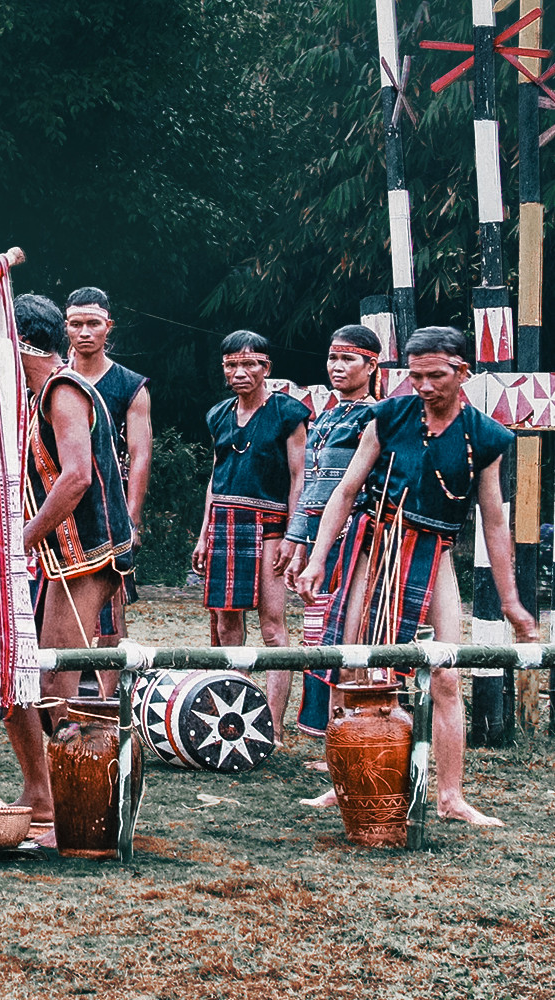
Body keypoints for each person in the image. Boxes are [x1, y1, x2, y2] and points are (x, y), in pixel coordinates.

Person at [296, 327, 537, 825]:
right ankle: (346, 782)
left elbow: (494, 522)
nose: (424, 386)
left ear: (461, 372)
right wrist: (319, 557)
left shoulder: (485, 438)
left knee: (446, 673)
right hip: (375, 542)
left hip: (433, 551)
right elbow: (345, 491)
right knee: (352, 665)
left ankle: (451, 796)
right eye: (416, 375)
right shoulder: (388, 415)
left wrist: (511, 601)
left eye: (435, 376)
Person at [10, 291, 134, 843]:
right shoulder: (40, 391)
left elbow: (78, 476)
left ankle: (70, 802)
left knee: (54, 678)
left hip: (90, 553)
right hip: (63, 556)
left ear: (17, 344)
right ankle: (41, 795)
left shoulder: (62, 390)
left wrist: (21, 539)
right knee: (22, 677)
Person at [192, 330, 308, 739]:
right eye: (231, 365)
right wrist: (204, 532)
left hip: (271, 525)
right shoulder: (218, 414)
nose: (239, 372)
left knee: (273, 625)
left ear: (266, 368)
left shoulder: (288, 413)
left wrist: (295, 537)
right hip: (224, 521)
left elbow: (299, 478)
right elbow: (215, 476)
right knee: (226, 623)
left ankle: (273, 725)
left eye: (248, 364)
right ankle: (233, 719)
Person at [280, 324, 381, 735]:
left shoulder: (376, 417)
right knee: (319, 631)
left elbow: (353, 489)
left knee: (351, 630)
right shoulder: (322, 419)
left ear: (370, 365)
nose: (337, 367)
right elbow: (311, 487)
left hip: (356, 536)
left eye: (348, 359)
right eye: (332, 358)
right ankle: (327, 727)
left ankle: (353, 728)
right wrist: (300, 543)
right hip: (319, 536)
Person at [64, 287, 150, 673]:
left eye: (93, 324)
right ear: (65, 328)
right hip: (61, 499)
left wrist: (131, 517)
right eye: (76, 324)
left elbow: (140, 454)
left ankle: (104, 704)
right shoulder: (56, 380)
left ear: (107, 327)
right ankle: (57, 688)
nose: (84, 332)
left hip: (108, 505)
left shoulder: (130, 385)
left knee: (110, 612)